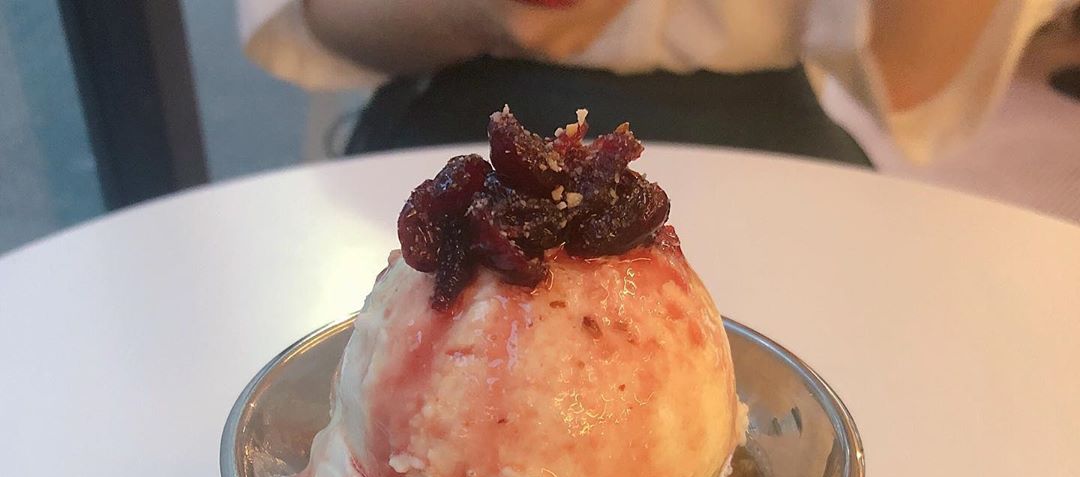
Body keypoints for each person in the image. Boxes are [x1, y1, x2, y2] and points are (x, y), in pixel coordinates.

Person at [239, 0, 1064, 166]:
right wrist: (486, 11)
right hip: (461, 100)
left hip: (763, 123)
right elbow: (317, 18)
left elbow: (912, 76)